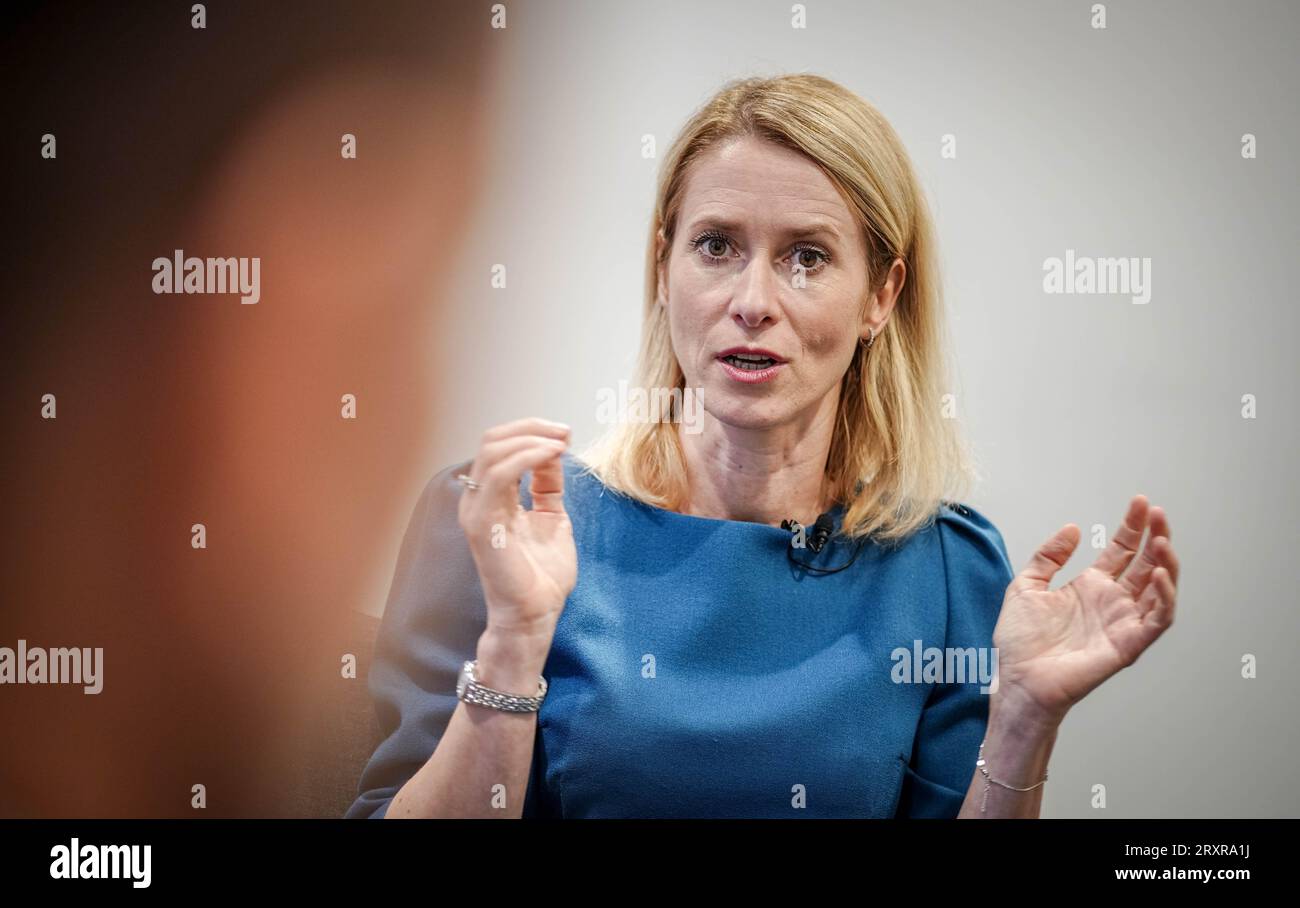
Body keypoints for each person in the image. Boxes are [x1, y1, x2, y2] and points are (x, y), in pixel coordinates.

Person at [347, 73, 1180, 819]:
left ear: (880, 297)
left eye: (807, 258)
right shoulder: (504, 523)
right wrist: (514, 647)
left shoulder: (952, 573)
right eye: (717, 246)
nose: (753, 300)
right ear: (664, 264)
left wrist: (1026, 721)